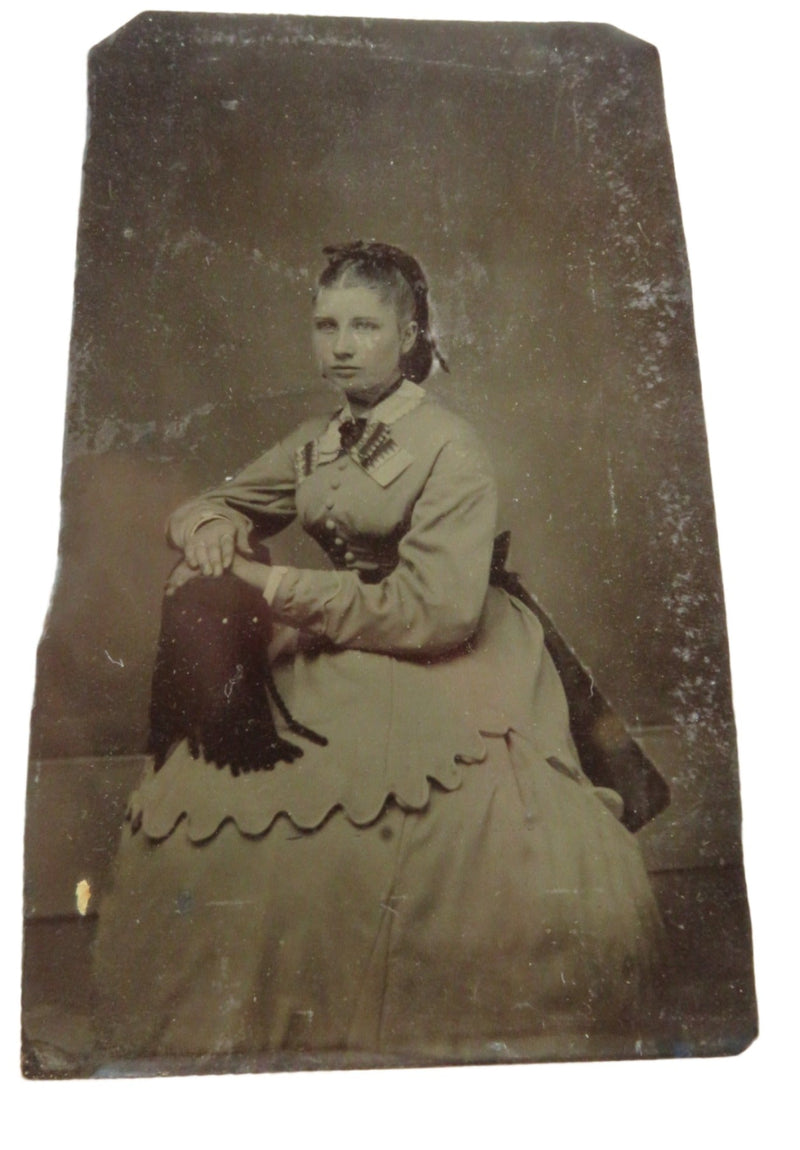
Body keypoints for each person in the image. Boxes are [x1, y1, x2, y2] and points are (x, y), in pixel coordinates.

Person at [93, 240, 662, 1070]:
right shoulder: (319, 441)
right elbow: (211, 501)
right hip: (344, 627)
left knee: (450, 833)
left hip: (442, 639)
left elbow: (433, 612)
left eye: (365, 325)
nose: (342, 345)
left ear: (410, 334)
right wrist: (212, 524)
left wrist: (277, 587)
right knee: (239, 805)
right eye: (327, 325)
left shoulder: (448, 446)